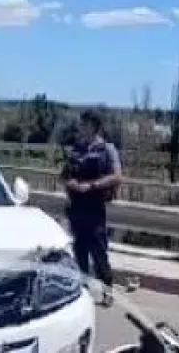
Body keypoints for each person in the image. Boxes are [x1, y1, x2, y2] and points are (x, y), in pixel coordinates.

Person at [61, 110, 122, 306]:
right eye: (82, 123)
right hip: (77, 207)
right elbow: (63, 175)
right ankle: (83, 292)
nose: (82, 127)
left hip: (95, 208)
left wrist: (92, 185)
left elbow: (116, 176)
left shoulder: (107, 149)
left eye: (85, 123)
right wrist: (70, 183)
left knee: (99, 252)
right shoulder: (77, 149)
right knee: (79, 252)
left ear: (94, 126)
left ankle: (107, 289)